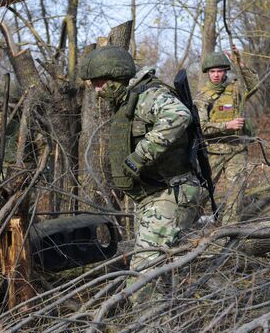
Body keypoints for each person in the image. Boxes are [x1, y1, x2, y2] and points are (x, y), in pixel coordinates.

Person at [79, 45, 201, 294]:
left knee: (144, 281)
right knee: (158, 274)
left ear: (116, 77)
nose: (97, 90)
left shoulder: (148, 95)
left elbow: (178, 115)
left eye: (100, 83)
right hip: (153, 196)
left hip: (169, 194)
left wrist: (139, 157)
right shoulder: (129, 100)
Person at [194, 48, 259, 224]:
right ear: (208, 73)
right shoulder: (202, 97)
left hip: (237, 149)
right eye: (212, 71)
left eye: (220, 71)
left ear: (225, 71)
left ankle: (230, 230)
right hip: (212, 152)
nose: (216, 75)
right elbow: (201, 127)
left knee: (236, 192)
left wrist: (240, 62)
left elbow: (254, 84)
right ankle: (187, 225)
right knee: (202, 192)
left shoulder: (235, 89)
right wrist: (226, 125)